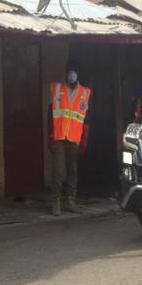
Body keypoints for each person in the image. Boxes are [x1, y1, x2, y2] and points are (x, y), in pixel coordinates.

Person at [48, 60, 91, 217]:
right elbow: (49, 114)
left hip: (74, 137)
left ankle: (71, 200)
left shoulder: (85, 92)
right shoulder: (56, 88)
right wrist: (50, 136)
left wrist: (84, 139)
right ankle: (56, 201)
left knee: (72, 170)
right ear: (65, 73)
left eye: (74, 71)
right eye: (70, 71)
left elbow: (85, 119)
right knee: (58, 171)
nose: (72, 74)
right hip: (58, 136)